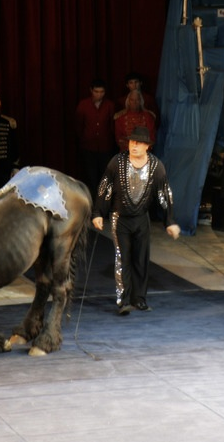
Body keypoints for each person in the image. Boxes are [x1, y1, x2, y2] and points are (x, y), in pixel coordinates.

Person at [92, 126, 180, 315]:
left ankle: (139, 299)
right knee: (123, 258)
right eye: (132, 142)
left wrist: (170, 221)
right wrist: (98, 212)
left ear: (147, 146)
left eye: (139, 143)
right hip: (120, 218)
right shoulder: (117, 162)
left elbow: (164, 194)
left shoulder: (156, 166)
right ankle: (123, 301)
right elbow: (105, 187)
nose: (134, 146)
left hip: (141, 219)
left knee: (141, 259)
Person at [76, 78, 116, 199]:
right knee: (91, 176)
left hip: (105, 146)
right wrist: (83, 139)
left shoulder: (109, 105)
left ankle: (104, 201)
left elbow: (112, 125)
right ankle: (92, 201)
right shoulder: (83, 105)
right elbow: (79, 125)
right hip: (88, 146)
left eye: (102, 92)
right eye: (96, 92)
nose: (99, 95)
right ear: (91, 91)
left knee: (105, 176)